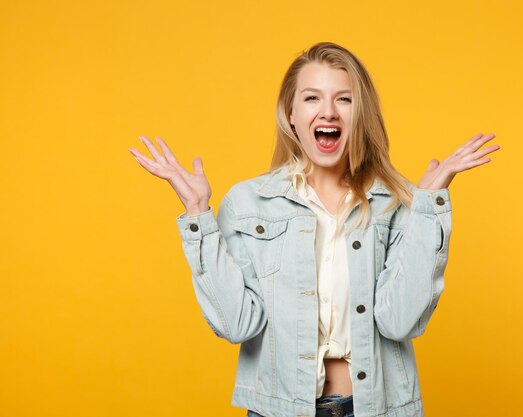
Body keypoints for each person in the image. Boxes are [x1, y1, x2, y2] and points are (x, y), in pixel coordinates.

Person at [129, 41, 499, 417]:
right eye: (311, 98)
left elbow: (399, 320)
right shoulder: (246, 204)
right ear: (290, 114)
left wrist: (427, 209)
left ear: (361, 114)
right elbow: (238, 325)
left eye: (344, 99)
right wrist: (198, 216)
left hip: (377, 408)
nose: (328, 112)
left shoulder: (396, 203)